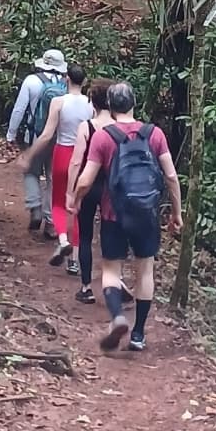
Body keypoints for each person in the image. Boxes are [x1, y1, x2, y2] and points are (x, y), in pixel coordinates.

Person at [74, 81, 183, 352]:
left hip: (114, 214)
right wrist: (176, 213)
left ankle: (117, 317)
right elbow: (170, 175)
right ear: (134, 103)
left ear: (110, 107)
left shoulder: (103, 136)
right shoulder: (154, 134)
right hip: (147, 214)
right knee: (145, 270)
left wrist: (75, 200)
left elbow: (86, 179)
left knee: (111, 270)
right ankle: (138, 334)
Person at [66, 78, 134, 308]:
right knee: (112, 235)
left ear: (92, 102)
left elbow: (76, 162)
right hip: (113, 188)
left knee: (85, 235)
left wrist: (71, 193)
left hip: (90, 186)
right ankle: (117, 280)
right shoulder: (120, 128)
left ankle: (86, 288)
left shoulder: (87, 127)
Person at [20, 64, 92, 271]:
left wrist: (30, 154)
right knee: (77, 206)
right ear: (84, 82)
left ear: (66, 79)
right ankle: (74, 261)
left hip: (62, 153)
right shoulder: (90, 105)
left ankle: (62, 241)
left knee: (59, 202)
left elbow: (46, 134)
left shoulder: (58, 102)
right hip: (83, 156)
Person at [6, 48, 68, 238]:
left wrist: (11, 134)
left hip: (35, 136)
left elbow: (19, 110)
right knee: (53, 179)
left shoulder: (32, 81)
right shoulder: (67, 84)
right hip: (59, 139)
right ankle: (50, 224)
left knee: (31, 171)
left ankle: (35, 207)